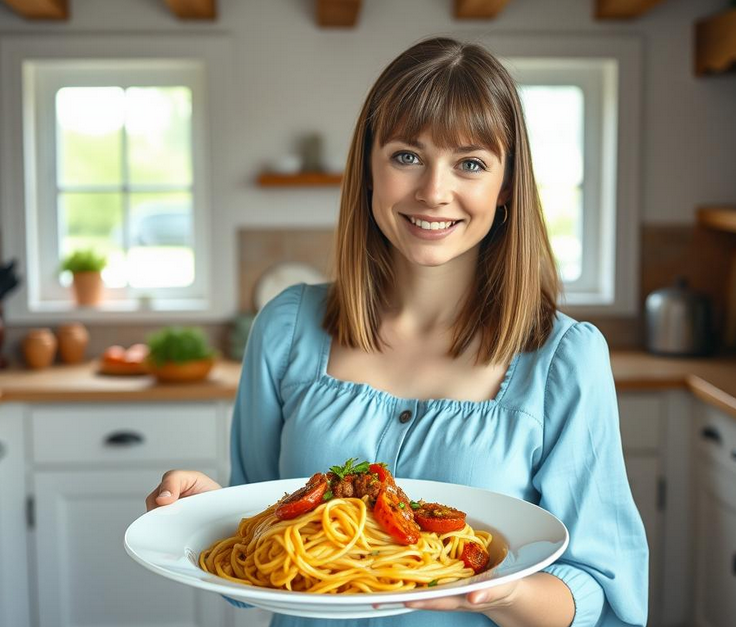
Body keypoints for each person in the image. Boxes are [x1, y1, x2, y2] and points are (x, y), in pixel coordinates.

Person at [146, 36, 648, 627]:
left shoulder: (566, 360)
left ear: (507, 185)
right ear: (369, 167)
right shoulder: (285, 328)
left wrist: (504, 592)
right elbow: (257, 559)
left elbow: (602, 591)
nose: (434, 191)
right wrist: (211, 517)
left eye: (471, 163)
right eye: (407, 155)